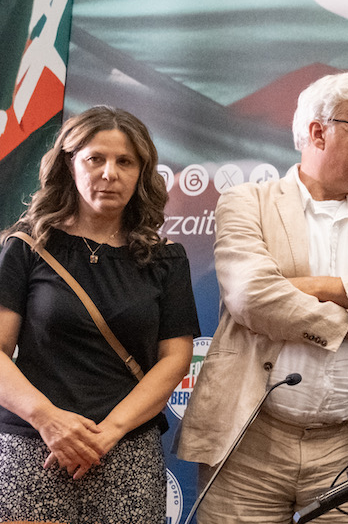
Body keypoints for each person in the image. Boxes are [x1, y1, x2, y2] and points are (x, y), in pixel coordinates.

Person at [175, 72, 348, 523]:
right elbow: (253, 295)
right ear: (318, 131)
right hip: (248, 444)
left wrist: (324, 287)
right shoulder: (246, 201)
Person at [0, 106, 200, 523]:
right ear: (69, 164)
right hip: (35, 445)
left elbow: (175, 359)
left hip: (126, 449)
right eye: (96, 158)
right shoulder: (26, 247)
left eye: (125, 161)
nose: (110, 173)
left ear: (141, 173)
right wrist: (49, 420)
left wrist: (108, 432)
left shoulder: (166, 258)